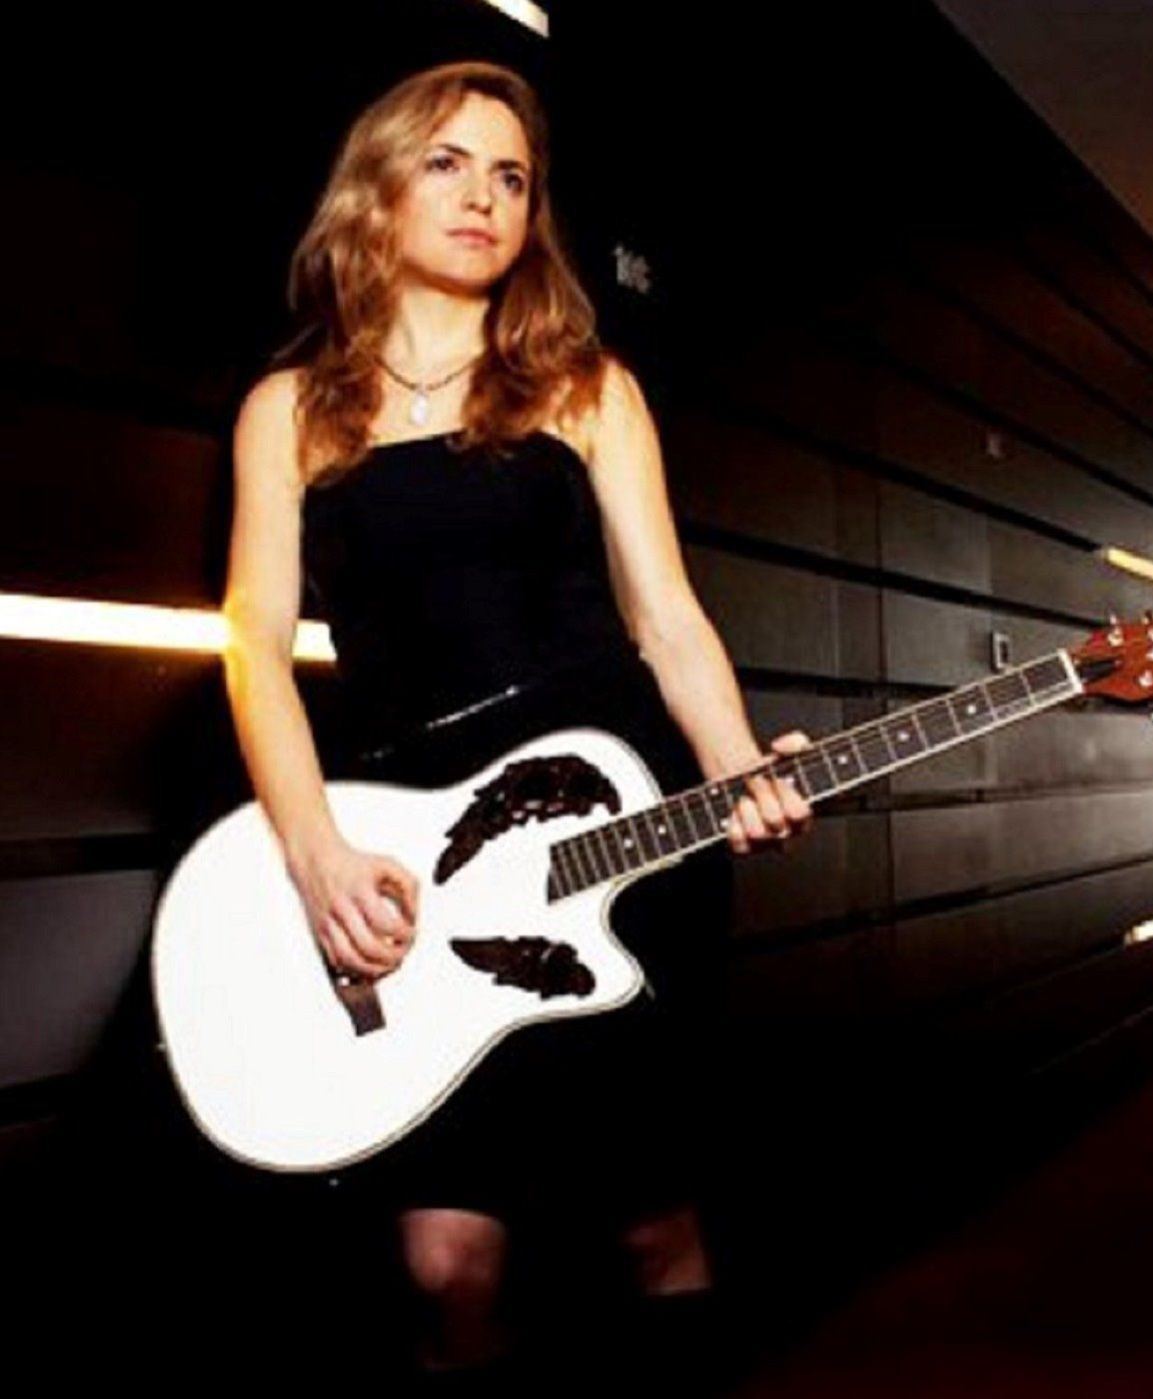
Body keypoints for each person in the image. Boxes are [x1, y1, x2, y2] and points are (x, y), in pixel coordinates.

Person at [220, 59, 815, 1388]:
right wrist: (316, 857)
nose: (484, 196)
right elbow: (253, 649)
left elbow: (667, 620)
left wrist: (733, 765)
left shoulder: (588, 387)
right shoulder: (290, 412)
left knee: (650, 1226)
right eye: (447, 164)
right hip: (415, 870)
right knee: (447, 1263)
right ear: (376, 188)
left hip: (618, 840)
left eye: (511, 176)